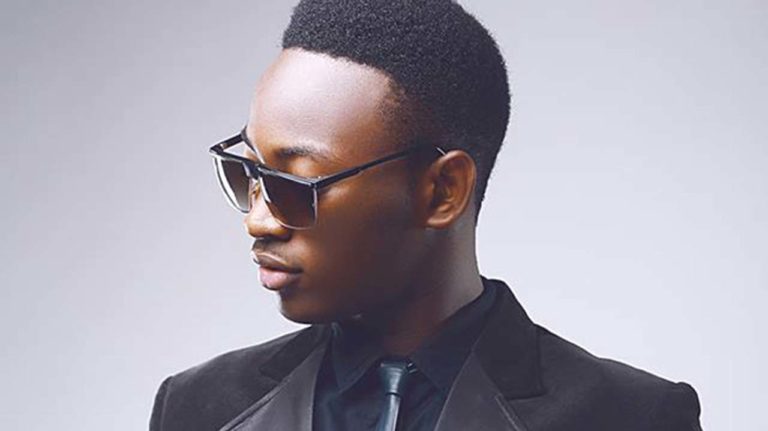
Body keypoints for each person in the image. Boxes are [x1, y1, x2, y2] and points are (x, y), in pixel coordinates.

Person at [149, 1, 703, 430]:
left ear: (443, 191)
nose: (259, 221)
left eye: (294, 186)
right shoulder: (197, 408)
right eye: (248, 174)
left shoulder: (632, 417)